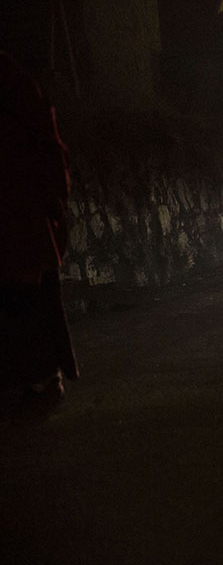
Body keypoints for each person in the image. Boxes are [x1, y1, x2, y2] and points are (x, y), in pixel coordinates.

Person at [0, 53, 78, 415]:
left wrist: (51, 199)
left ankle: (42, 381)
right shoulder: (19, 87)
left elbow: (47, 148)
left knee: (28, 300)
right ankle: (34, 381)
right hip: (21, 215)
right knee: (24, 301)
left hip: (22, 216)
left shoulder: (18, 88)